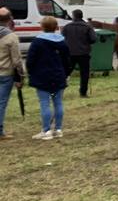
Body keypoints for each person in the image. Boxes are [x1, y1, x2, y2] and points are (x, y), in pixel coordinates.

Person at [26, 15, 71, 140]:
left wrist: (30, 72)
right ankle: (58, 129)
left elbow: (30, 60)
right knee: (58, 103)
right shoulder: (62, 42)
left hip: (41, 76)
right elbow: (67, 60)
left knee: (45, 103)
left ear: (42, 27)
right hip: (58, 75)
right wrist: (66, 73)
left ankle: (46, 130)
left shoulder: (37, 42)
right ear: (56, 27)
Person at [0, 7, 26, 141]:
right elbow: (16, 60)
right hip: (5, 73)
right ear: (10, 20)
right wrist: (21, 76)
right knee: (1, 102)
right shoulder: (11, 37)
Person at [61, 9, 98, 98]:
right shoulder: (87, 27)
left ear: (73, 16)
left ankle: (59, 91)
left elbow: (61, 37)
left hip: (70, 53)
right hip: (83, 53)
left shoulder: (67, 26)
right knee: (84, 74)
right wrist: (86, 42)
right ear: (81, 16)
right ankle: (83, 93)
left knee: (65, 73)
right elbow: (93, 39)